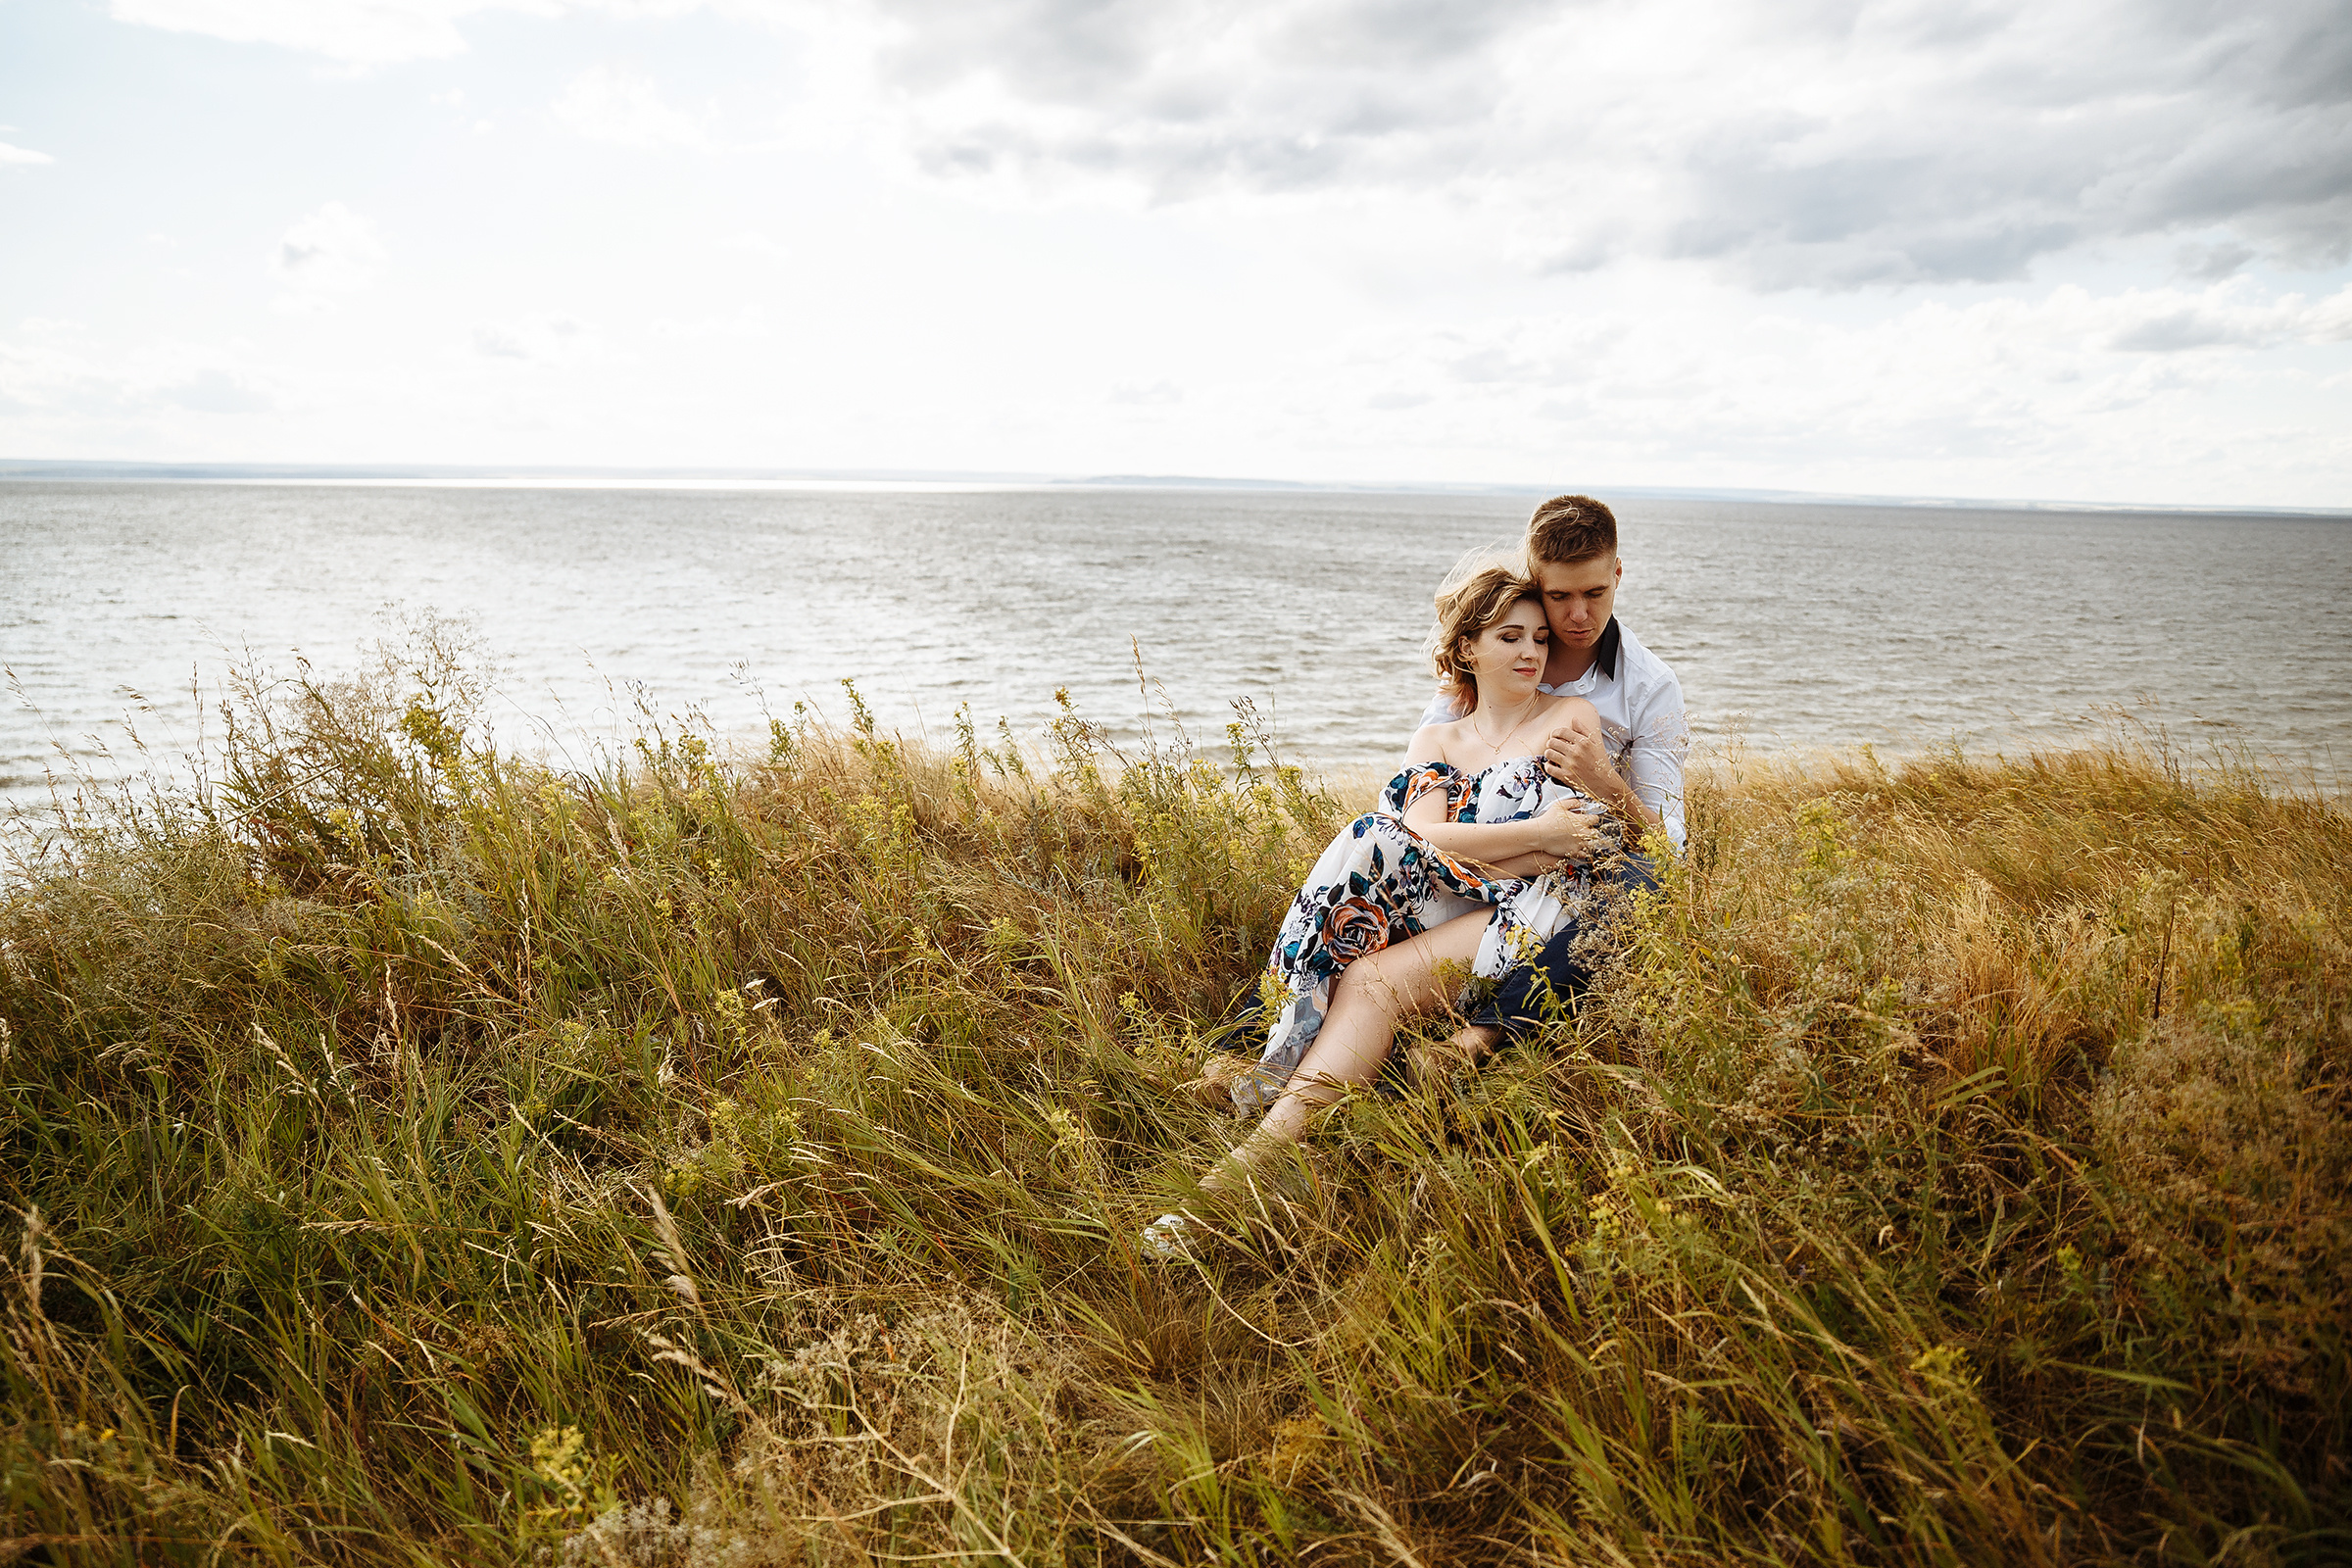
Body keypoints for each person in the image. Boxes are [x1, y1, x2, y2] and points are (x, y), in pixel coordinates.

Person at [1141, 564, 1617, 1259]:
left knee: (1371, 941)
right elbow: (1419, 842)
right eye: (1510, 636)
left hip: (1532, 908)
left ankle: (1238, 1170)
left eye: (1539, 638)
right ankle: (1260, 1147)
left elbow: (1571, 844)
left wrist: (1520, 846)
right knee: (1374, 844)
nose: (1532, 653)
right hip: (1445, 899)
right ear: (1466, 650)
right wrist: (1533, 836)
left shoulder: (1568, 719)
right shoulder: (1438, 742)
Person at [1409, 493, 1687, 1076]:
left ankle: (1484, 1035)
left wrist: (1604, 781)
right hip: (1475, 846)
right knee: (1366, 861)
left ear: (1617, 573)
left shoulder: (1650, 688)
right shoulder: (1492, 654)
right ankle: (1253, 1033)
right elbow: (1423, 780)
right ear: (1536, 580)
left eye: (1595, 593)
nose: (1578, 615)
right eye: (1559, 596)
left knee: (1650, 886)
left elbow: (1667, 845)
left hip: (1577, 859)